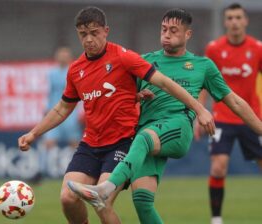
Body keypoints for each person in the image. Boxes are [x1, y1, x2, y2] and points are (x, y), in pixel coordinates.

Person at [18, 6, 215, 224]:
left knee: (102, 203)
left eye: (94, 33)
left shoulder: (124, 57)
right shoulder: (76, 70)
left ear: (106, 31)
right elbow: (62, 108)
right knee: (67, 198)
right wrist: (34, 133)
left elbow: (165, 83)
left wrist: (199, 109)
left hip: (122, 143)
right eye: (83, 34)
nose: (89, 39)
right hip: (90, 144)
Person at [67, 8, 262, 224]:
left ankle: (105, 190)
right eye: (163, 29)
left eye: (173, 30)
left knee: (143, 139)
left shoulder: (203, 66)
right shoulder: (145, 61)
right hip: (147, 133)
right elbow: (119, 94)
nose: (166, 34)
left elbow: (234, 101)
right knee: (142, 201)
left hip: (177, 127)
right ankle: (106, 191)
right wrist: (136, 96)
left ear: (188, 35)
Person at [193, 3, 262, 224]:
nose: (234, 22)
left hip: (252, 117)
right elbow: (204, 82)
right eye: (230, 18)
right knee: (218, 166)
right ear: (225, 22)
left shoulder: (257, 48)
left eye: (238, 17)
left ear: (245, 21)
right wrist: (200, 112)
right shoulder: (214, 49)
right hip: (222, 118)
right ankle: (216, 219)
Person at [35, 47, 82, 183]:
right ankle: (40, 171)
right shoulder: (51, 74)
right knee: (48, 143)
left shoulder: (74, 72)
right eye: (60, 55)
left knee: (75, 143)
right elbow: (48, 93)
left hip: (70, 114)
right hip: (54, 112)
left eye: (65, 55)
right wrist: (46, 109)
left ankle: (78, 171)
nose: (62, 57)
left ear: (69, 58)